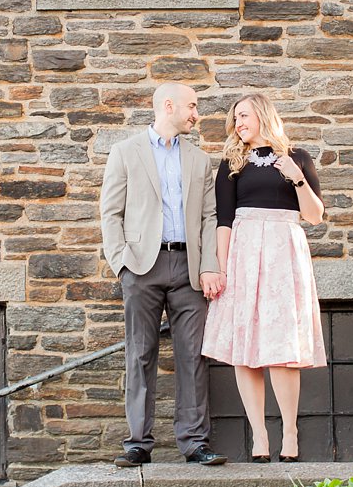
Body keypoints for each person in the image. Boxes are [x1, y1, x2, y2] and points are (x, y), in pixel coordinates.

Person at [100, 82, 227, 467]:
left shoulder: (200, 160)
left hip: (189, 267)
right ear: (167, 106)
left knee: (194, 357)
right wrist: (121, 263)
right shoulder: (125, 153)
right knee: (140, 354)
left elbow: (209, 217)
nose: (196, 114)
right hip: (141, 266)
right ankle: (138, 443)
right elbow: (111, 213)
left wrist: (210, 266)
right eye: (191, 106)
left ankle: (194, 443)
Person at [201, 92, 327, 463]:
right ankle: (259, 436)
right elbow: (224, 220)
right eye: (235, 117)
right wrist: (223, 268)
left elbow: (316, 216)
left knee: (282, 348)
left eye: (244, 115)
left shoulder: (297, 157)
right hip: (243, 252)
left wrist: (298, 179)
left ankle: (289, 431)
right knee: (245, 350)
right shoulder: (231, 164)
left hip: (284, 254)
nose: (238, 122)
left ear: (263, 115)